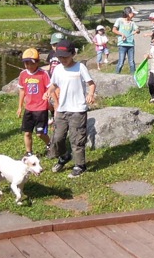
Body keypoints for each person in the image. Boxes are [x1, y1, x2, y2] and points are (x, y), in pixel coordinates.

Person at [46, 41, 96, 178]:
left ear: (73, 54)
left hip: (78, 109)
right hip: (62, 109)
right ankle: (64, 156)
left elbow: (91, 84)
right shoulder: (58, 69)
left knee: (76, 139)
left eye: (65, 57)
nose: (63, 60)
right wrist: (48, 92)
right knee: (57, 137)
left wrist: (90, 94)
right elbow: (53, 85)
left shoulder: (80, 67)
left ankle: (80, 165)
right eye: (60, 57)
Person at [16, 48, 51, 156]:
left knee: (40, 134)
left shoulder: (43, 74)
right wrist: (20, 107)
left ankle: (50, 144)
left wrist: (50, 97)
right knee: (27, 133)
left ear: (37, 62)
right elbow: (22, 91)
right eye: (26, 63)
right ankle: (29, 153)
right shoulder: (23, 74)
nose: (29, 66)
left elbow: (50, 87)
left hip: (41, 108)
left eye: (31, 63)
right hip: (29, 109)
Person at [112, 6, 139, 74]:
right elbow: (114, 30)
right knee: (121, 61)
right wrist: (122, 34)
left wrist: (137, 31)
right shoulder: (119, 20)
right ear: (128, 13)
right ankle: (116, 75)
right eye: (133, 13)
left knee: (131, 62)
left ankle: (133, 77)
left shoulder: (132, 22)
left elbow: (138, 30)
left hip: (130, 44)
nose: (134, 15)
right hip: (122, 44)